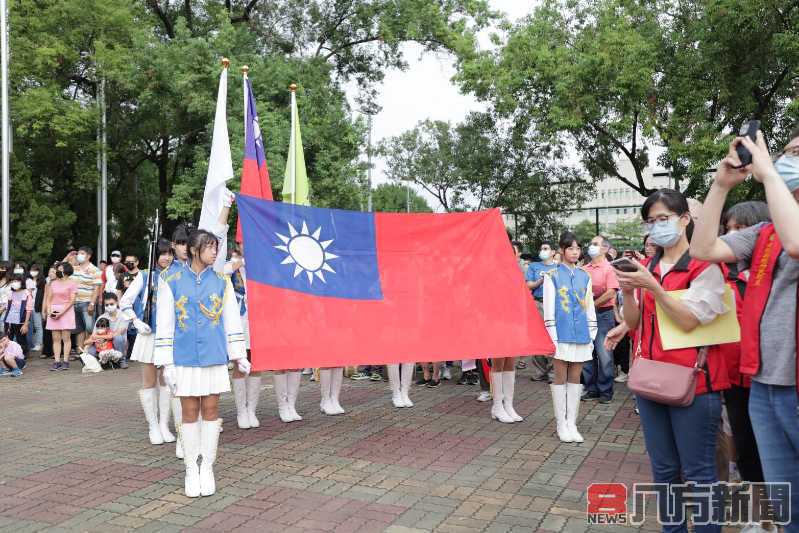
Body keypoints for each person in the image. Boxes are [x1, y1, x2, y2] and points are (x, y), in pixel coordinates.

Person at [690, 130, 799, 532]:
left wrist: (769, 173)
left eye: (795, 153)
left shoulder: (784, 234)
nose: (785, 160)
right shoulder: (765, 234)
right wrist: (720, 187)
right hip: (767, 385)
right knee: (788, 506)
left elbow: (797, 242)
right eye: (785, 153)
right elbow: (702, 250)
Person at [619, 188, 729, 533]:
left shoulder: (704, 266)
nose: (657, 227)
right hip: (651, 381)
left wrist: (654, 286)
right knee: (664, 471)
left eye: (663, 219)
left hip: (695, 385)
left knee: (699, 474)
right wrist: (627, 291)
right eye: (651, 221)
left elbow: (688, 321)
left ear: (685, 220)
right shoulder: (649, 266)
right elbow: (634, 323)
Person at [154, 229, 249, 498]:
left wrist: (239, 355)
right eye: (210, 248)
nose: (215, 252)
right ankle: (190, 469)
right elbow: (165, 324)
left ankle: (206, 466)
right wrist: (166, 363)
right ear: (195, 250)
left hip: (213, 356)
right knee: (188, 411)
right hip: (183, 358)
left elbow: (231, 320)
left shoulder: (222, 281)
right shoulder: (169, 280)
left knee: (211, 409)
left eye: (216, 248)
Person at [122, 238, 178, 447]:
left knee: (167, 381)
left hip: (170, 336)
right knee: (149, 381)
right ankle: (153, 425)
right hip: (149, 335)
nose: (167, 257)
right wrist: (135, 321)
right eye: (163, 253)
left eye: (169, 253)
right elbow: (125, 302)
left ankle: (165, 424)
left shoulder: (177, 276)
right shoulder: (145, 276)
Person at [544, 231, 597, 440]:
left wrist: (592, 334)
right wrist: (553, 339)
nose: (575, 252)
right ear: (562, 250)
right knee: (560, 378)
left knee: (576, 377)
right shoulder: (552, 276)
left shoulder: (585, 275)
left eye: (577, 248)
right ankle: (561, 424)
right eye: (570, 248)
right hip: (561, 334)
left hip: (582, 334)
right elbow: (549, 311)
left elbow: (590, 307)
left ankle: (571, 424)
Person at [226, 244, 270, 426]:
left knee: (256, 363)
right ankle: (241, 411)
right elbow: (221, 272)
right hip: (238, 318)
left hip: (257, 317)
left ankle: (251, 409)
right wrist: (240, 263)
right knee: (240, 362)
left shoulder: (261, 265)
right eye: (242, 242)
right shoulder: (232, 263)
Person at [581, 235, 619, 403]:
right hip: (586, 315)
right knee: (588, 353)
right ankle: (591, 389)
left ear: (605, 248)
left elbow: (612, 292)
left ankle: (605, 391)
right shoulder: (584, 268)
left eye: (596, 244)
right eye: (591, 243)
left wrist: (592, 304)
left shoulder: (609, 268)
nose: (591, 246)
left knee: (604, 354)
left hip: (604, 314)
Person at [526, 241, 558, 382]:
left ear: (553, 252)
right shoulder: (534, 266)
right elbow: (529, 285)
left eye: (546, 248)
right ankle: (540, 370)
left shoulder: (559, 267)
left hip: (554, 304)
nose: (542, 251)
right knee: (537, 336)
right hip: (538, 302)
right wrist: (542, 279)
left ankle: (553, 372)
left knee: (552, 337)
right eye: (541, 248)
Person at [67, 246, 103, 354]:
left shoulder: (95, 270)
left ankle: (89, 350)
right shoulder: (74, 268)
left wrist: (92, 303)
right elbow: (59, 269)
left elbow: (97, 288)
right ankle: (80, 351)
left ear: (88, 256)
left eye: (82, 253)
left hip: (87, 302)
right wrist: (67, 257)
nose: (79, 255)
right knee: (79, 329)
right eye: (78, 253)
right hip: (74, 303)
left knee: (89, 327)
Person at [44, 262, 78, 371]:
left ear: (67, 271)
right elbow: (49, 299)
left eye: (60, 269)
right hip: (54, 311)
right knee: (56, 339)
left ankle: (66, 361)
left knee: (66, 338)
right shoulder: (53, 283)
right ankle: (57, 361)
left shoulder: (72, 283)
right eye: (57, 269)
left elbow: (72, 300)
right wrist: (49, 311)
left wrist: (62, 312)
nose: (58, 271)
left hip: (66, 311)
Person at [86, 292, 130, 366]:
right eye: (107, 305)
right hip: (102, 345)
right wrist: (89, 343)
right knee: (90, 351)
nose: (109, 306)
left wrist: (99, 337)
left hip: (117, 345)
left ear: (117, 302)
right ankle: (105, 361)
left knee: (118, 338)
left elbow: (116, 334)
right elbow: (93, 336)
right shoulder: (101, 318)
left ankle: (121, 359)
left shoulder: (124, 316)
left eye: (111, 304)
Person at [4, 273, 32, 354]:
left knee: (21, 339)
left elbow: (28, 310)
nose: (14, 283)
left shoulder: (26, 293)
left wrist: (26, 324)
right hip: (10, 320)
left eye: (16, 281)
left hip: (21, 320)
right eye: (12, 281)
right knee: (8, 338)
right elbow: (8, 308)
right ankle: (9, 354)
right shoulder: (11, 293)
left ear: (21, 282)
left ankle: (23, 355)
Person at [26, 265, 45, 353]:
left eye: (35, 270)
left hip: (37, 306)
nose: (32, 271)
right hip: (28, 306)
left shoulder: (41, 281)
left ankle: (39, 344)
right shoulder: (27, 280)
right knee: (29, 326)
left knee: (38, 325)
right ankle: (30, 344)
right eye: (31, 270)